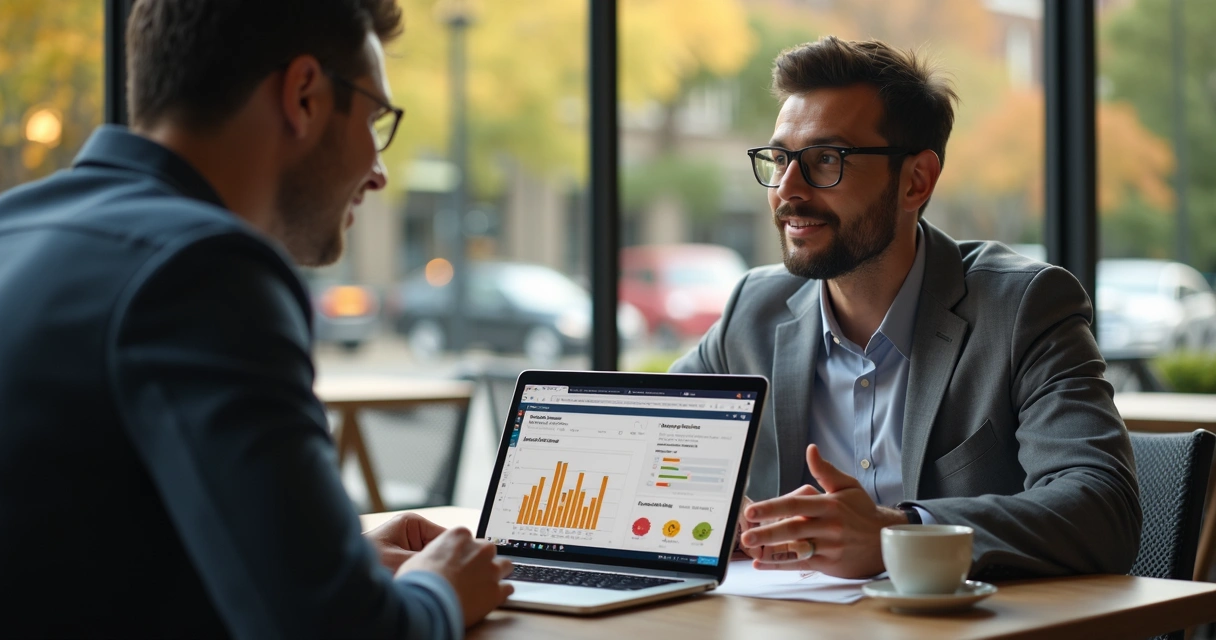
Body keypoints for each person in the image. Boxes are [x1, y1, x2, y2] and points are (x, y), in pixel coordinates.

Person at [0, 1, 511, 637]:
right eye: (375, 118)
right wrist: (439, 589)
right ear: (303, 96)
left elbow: (76, 556)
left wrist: (329, 563)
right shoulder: (205, 268)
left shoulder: (15, 228)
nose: (379, 173)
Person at [671, 36, 1141, 580]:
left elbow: (1102, 508)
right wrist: (711, 506)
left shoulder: (1023, 308)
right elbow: (657, 441)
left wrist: (898, 534)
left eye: (827, 160)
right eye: (780, 159)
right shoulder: (753, 311)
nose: (787, 189)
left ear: (916, 181)